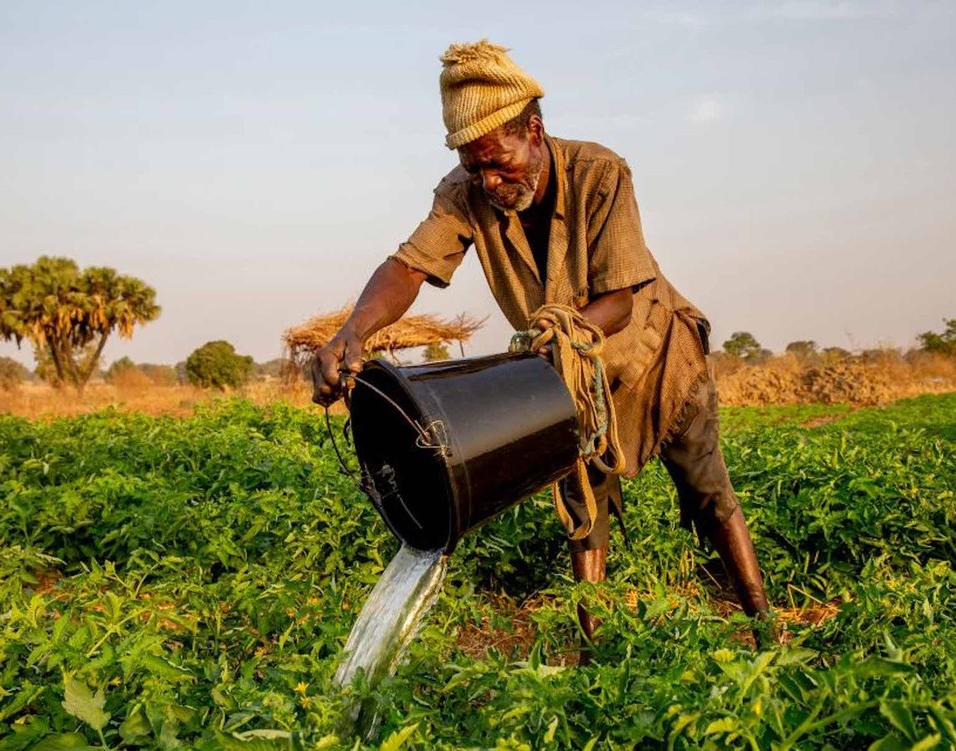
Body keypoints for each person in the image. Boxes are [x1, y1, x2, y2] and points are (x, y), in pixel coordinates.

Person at [312, 40, 771, 654]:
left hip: (654, 354)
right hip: (567, 373)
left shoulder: (600, 172)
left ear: (535, 129)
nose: (492, 182)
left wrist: (553, 341)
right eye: (477, 169)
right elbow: (410, 267)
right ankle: (594, 651)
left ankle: (763, 623)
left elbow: (619, 301)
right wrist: (353, 331)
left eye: (501, 163)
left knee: (707, 489)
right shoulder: (464, 191)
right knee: (584, 505)